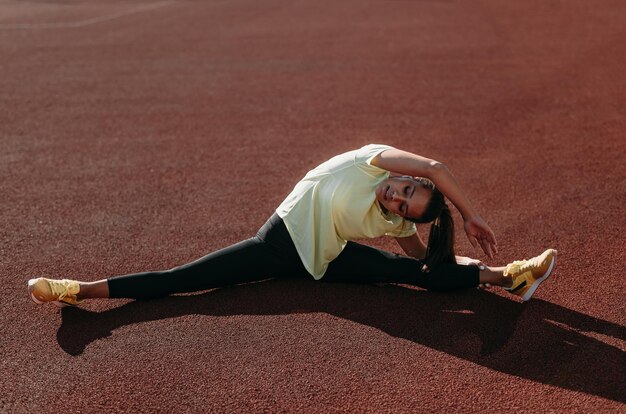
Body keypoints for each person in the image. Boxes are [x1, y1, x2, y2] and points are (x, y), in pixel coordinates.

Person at [28, 144, 557, 307]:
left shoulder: (387, 219)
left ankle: (510, 276)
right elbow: (436, 168)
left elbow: (418, 255)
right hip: (277, 246)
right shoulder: (370, 160)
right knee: (182, 280)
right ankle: (79, 290)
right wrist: (470, 214)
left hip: (326, 264)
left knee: (415, 272)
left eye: (403, 207)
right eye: (406, 190)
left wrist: (439, 258)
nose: (396, 198)